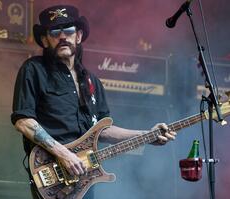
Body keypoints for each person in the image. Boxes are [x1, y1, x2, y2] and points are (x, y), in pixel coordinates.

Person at [11, 5, 177, 199]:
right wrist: (64, 154)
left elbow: (102, 130)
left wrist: (147, 135)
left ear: (79, 36)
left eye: (69, 30)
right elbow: (23, 121)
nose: (63, 36)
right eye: (55, 32)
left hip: (85, 176)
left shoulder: (92, 81)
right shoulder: (33, 69)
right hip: (53, 173)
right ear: (46, 40)